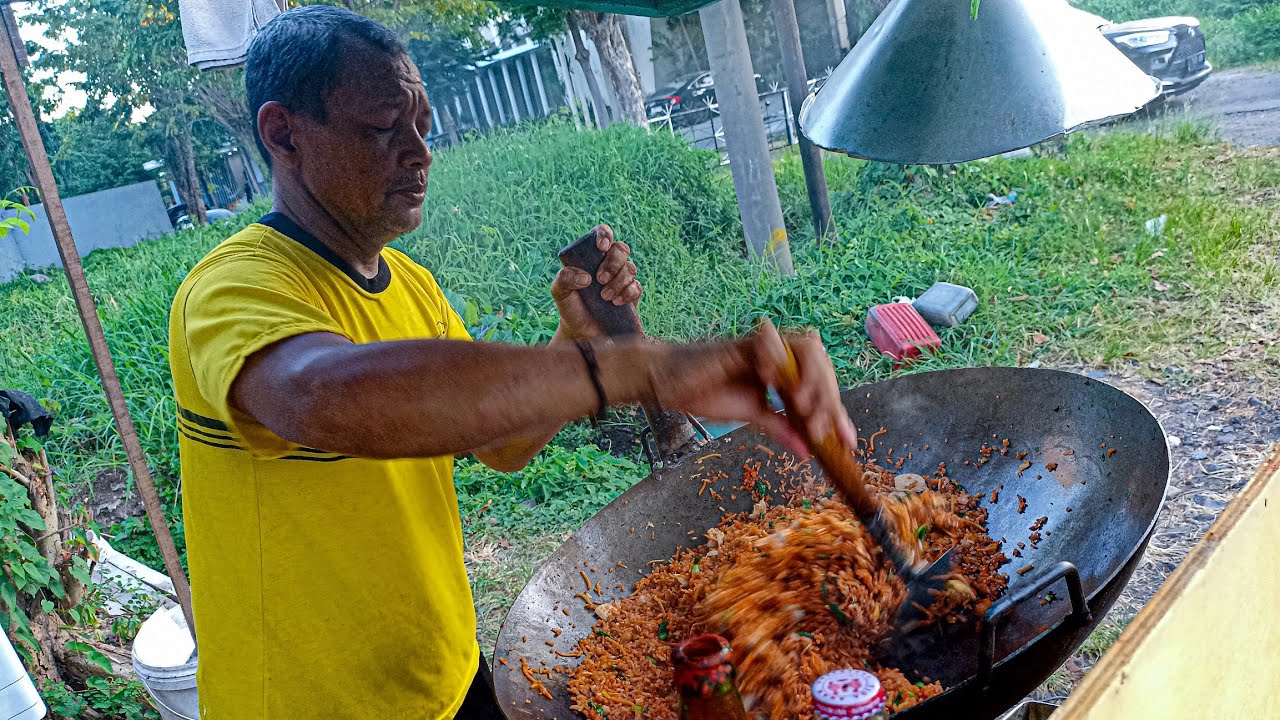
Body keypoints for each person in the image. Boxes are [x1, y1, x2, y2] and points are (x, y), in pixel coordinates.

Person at [167, 6, 856, 719]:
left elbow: (499, 445)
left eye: (423, 125)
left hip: (445, 678)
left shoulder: (410, 286)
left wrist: (580, 345)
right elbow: (323, 400)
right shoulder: (233, 286)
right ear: (284, 133)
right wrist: (633, 369)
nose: (418, 151)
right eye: (383, 125)